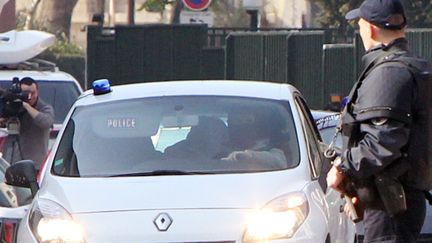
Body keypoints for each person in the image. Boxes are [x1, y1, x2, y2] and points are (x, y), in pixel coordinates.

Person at [326, 0, 432, 242]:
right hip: (397, 202)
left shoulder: (389, 72)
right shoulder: (411, 67)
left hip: (390, 208)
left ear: (370, 29)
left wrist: (343, 165)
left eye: (360, 24)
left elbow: (383, 141)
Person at [8, 77, 54, 170]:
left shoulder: (45, 108)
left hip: (35, 164)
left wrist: (26, 106)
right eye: (25, 93)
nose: (29, 96)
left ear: (38, 91)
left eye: (33, 93)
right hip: (13, 162)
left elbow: (46, 123)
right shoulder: (14, 107)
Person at [222, 108, 287, 168]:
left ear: (256, 125)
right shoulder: (220, 149)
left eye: (248, 121)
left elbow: (279, 161)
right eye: (237, 121)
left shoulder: (269, 148)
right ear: (230, 124)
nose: (243, 125)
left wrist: (247, 156)